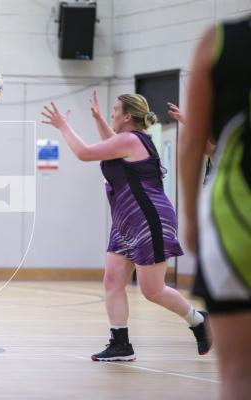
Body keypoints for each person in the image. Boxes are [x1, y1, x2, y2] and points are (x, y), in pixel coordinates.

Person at [41, 91, 210, 361]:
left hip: (149, 218)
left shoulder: (132, 140)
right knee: (112, 280)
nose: (112, 113)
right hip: (125, 222)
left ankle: (198, 320)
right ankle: (121, 344)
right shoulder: (126, 141)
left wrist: (64, 126)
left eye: (115, 110)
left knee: (152, 290)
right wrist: (97, 119)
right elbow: (111, 143)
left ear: (128, 116)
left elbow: (85, 153)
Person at [179, 16, 251, 400]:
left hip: (234, 224)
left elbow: (193, 143)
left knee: (239, 375)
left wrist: (190, 217)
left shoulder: (219, 41)